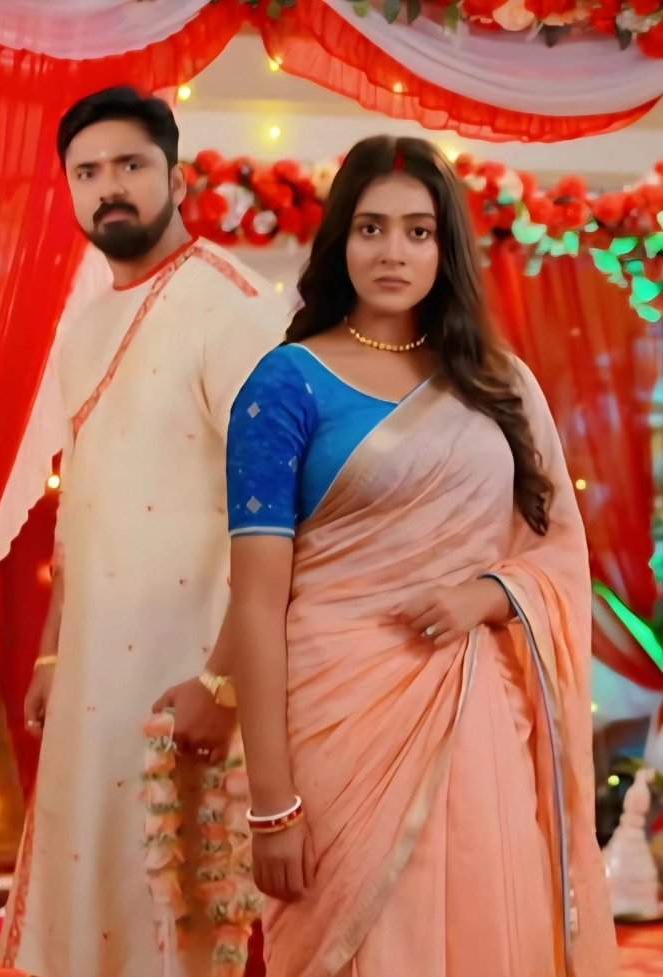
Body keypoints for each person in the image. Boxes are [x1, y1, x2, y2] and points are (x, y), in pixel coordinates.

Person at [225, 135, 618, 977]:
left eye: (418, 231)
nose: (392, 252)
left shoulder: (498, 383)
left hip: (478, 716)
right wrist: (271, 803)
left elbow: (557, 555)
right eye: (370, 228)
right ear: (341, 239)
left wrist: (487, 594)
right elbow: (256, 601)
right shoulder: (284, 384)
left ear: (446, 249)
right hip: (334, 723)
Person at [0, 87, 287, 977]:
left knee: (175, 914)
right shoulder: (85, 325)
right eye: (87, 172)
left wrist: (224, 685)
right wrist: (53, 650)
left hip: (186, 680)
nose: (109, 186)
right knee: (84, 901)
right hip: (92, 679)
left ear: (177, 177)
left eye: (130, 165)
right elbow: (82, 504)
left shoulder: (233, 309)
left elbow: (284, 515)